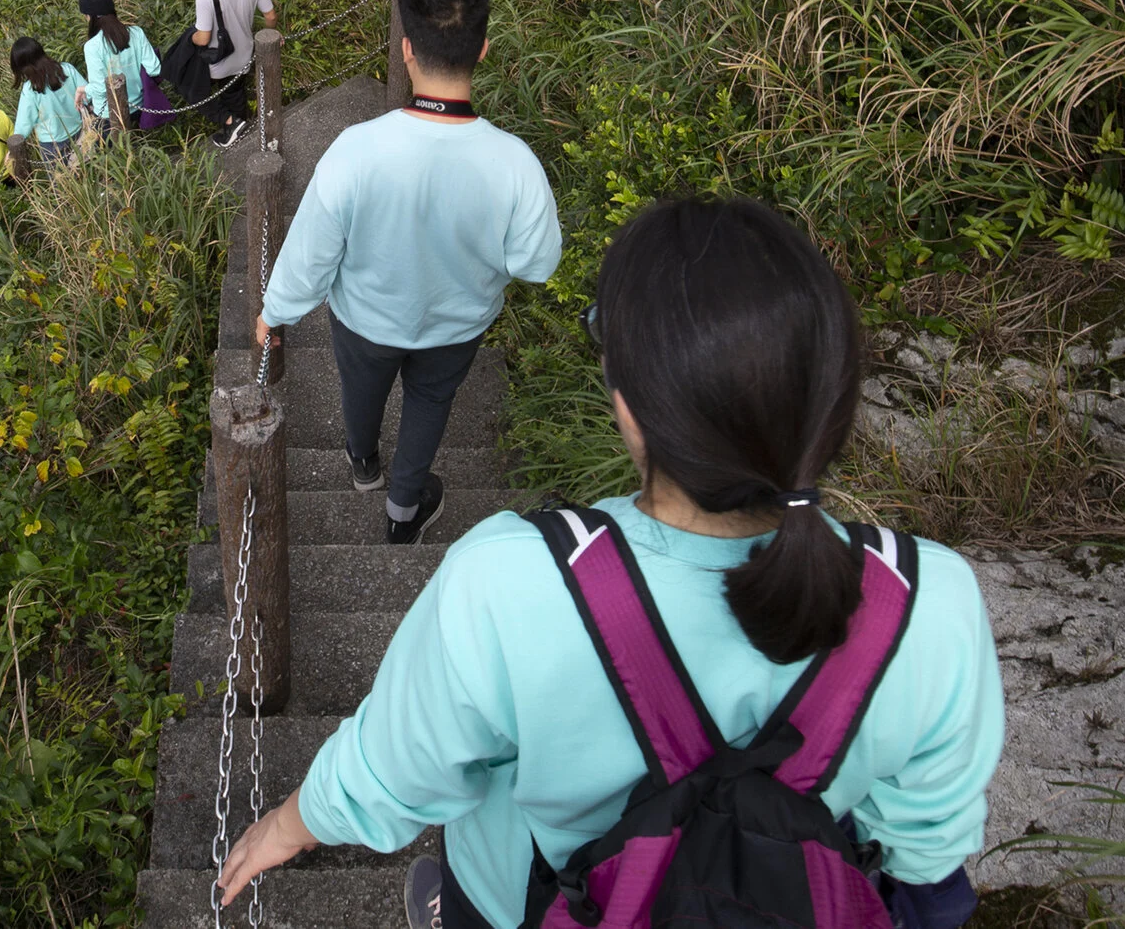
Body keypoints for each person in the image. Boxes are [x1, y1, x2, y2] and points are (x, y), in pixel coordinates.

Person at [219, 196, 1005, 929]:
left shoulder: (508, 584)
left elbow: (401, 766)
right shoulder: (930, 603)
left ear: (629, 402)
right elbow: (924, 852)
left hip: (530, 903)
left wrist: (293, 822)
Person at [255, 0, 561, 542]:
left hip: (365, 321)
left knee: (360, 390)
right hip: (455, 326)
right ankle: (403, 512)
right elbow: (536, 263)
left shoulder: (357, 149)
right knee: (430, 404)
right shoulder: (515, 162)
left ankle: (363, 463)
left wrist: (275, 314)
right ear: (484, 49)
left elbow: (311, 255)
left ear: (407, 50)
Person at [192, 0, 276, 147]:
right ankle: (241, 129)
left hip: (219, 64)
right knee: (235, 93)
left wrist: (191, 38)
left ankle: (229, 123)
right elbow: (270, 15)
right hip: (245, 57)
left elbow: (203, 37)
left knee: (188, 85)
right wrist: (268, 35)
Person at [77, 0, 162, 131]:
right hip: (140, 108)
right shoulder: (136, 33)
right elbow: (155, 69)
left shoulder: (92, 47)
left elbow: (100, 89)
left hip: (110, 117)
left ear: (90, 17)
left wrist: (83, 89)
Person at [9, 37, 88, 166]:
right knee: (88, 171)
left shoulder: (30, 89)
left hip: (52, 145)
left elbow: (24, 123)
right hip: (80, 131)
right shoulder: (66, 69)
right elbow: (87, 94)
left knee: (61, 182)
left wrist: (13, 149)